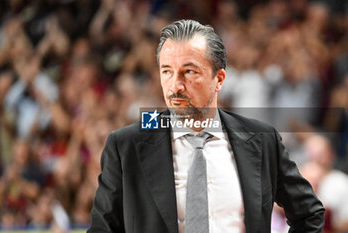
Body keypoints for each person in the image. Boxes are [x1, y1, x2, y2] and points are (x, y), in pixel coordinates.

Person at [88, 19, 325, 233]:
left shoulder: (262, 140)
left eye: (188, 72)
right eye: (167, 72)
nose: (175, 85)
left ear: (219, 79)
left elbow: (309, 214)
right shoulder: (125, 145)